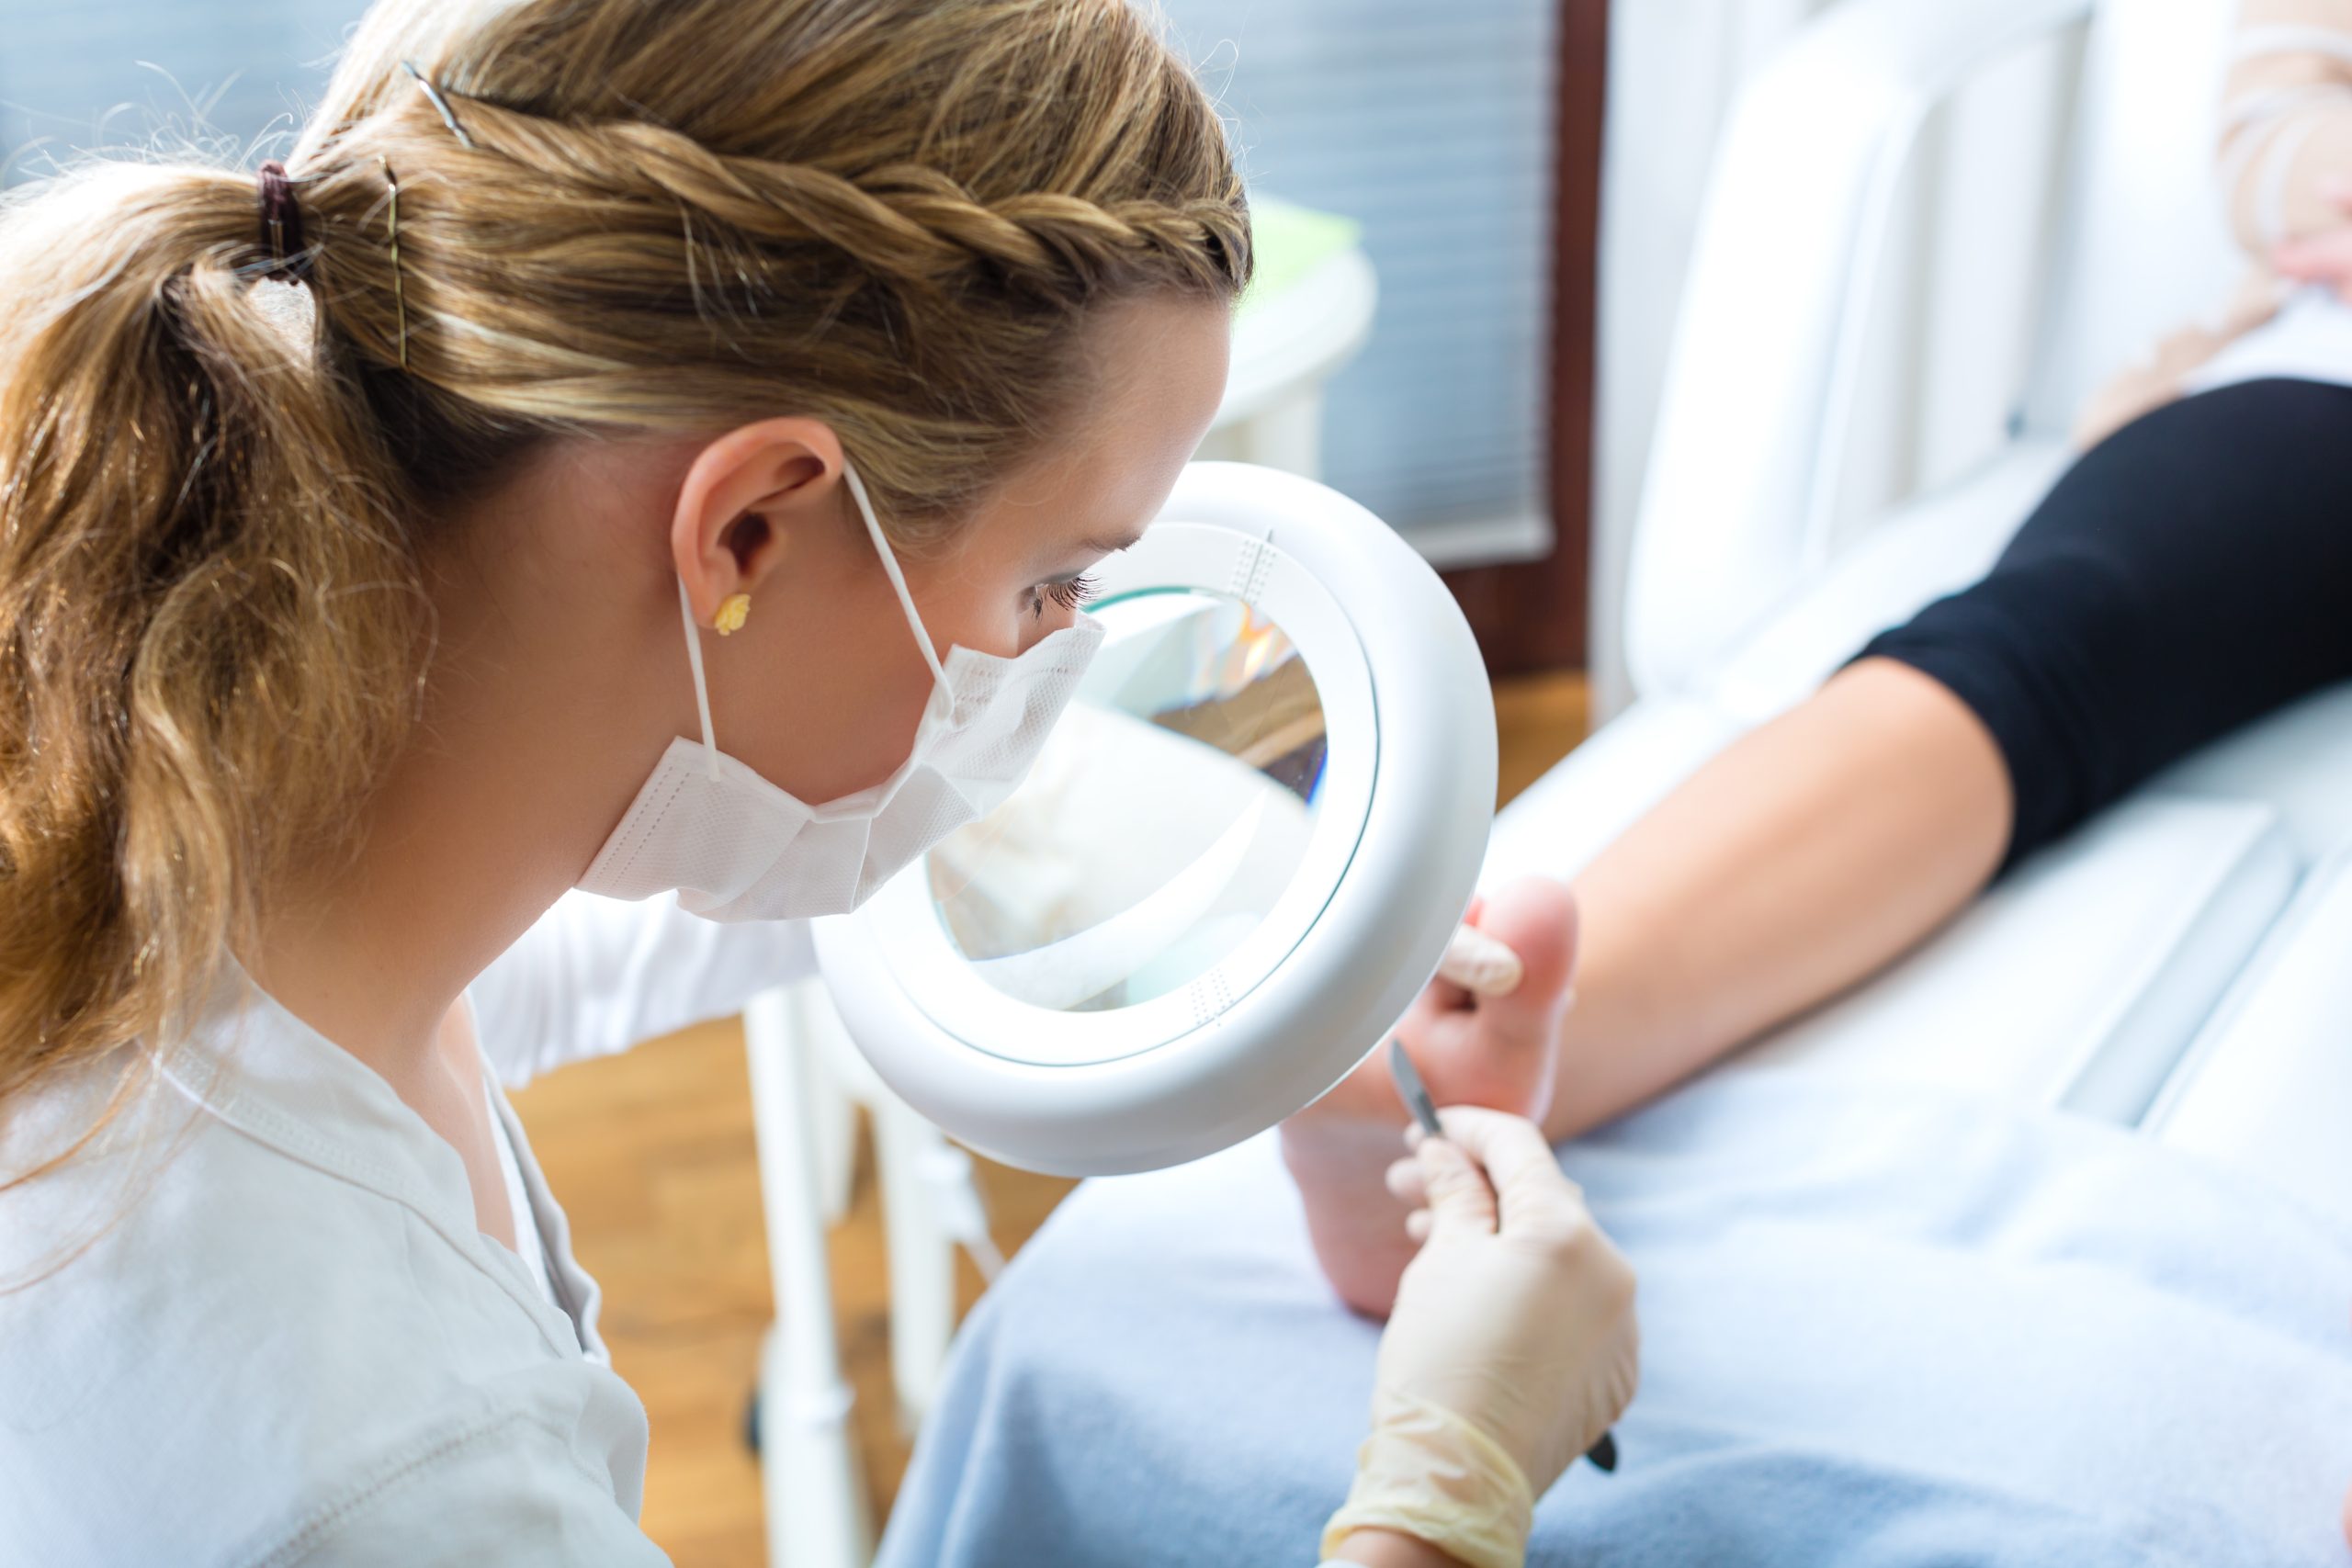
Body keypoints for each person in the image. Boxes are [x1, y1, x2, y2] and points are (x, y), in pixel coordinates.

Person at [0, 2, 1633, 1563]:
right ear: (750, 529)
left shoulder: (187, 812)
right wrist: (1449, 1484)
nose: (1048, 681)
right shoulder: (359, 1477)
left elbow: (593, 937)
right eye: (1056, 585)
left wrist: (1260, 932)